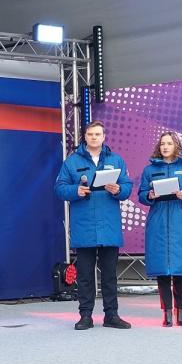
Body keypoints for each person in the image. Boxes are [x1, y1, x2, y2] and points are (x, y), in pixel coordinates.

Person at [55, 120, 133, 330]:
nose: (94, 137)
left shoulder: (116, 160)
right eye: (90, 134)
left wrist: (118, 190)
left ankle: (111, 315)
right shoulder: (71, 162)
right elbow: (59, 188)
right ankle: (85, 315)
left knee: (109, 275)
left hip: (109, 226)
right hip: (84, 226)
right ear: (85, 137)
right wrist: (75, 191)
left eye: (98, 134)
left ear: (104, 137)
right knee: (85, 275)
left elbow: (127, 187)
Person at [138, 131, 182, 327]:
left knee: (179, 269)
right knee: (162, 270)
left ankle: (180, 310)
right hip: (158, 223)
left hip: (181, 223)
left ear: (176, 145)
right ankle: (167, 311)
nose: (165, 147)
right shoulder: (149, 170)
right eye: (162, 144)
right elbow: (141, 194)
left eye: (169, 143)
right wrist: (149, 195)